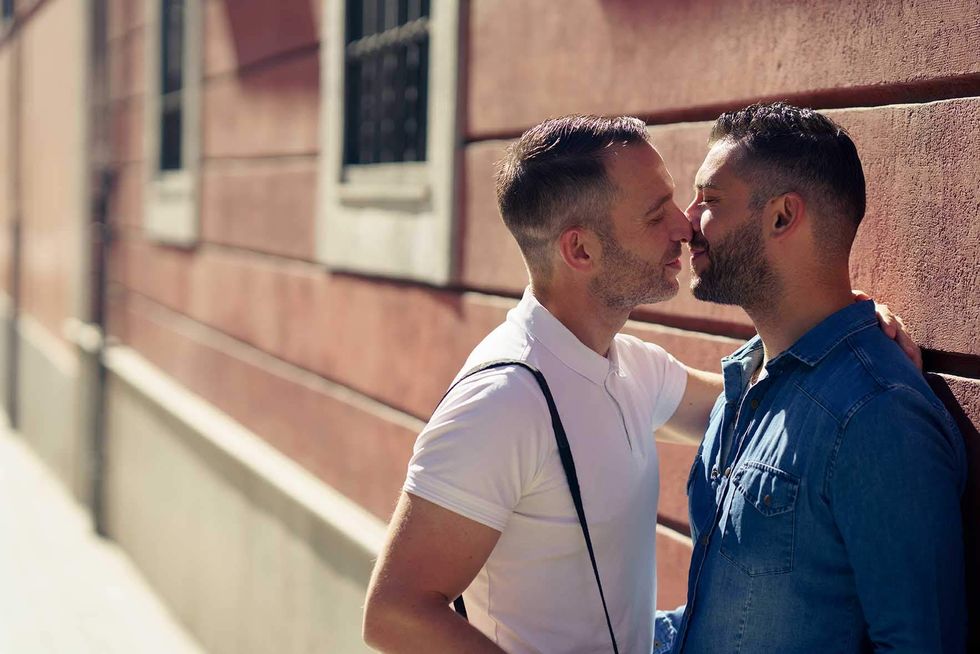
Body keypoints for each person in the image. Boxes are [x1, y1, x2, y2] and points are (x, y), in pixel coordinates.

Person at [362, 115, 914, 654]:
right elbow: (394, 614)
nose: (683, 226)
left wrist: (840, 322)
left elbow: (774, 410)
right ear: (581, 250)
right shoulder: (502, 399)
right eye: (655, 215)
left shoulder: (631, 366)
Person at [655, 102, 967, 653]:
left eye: (710, 199)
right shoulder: (747, 382)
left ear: (782, 217)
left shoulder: (877, 414)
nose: (687, 221)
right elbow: (728, 618)